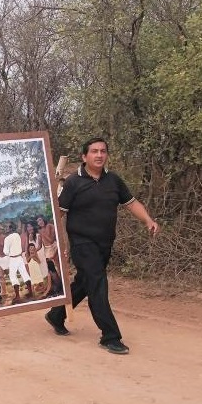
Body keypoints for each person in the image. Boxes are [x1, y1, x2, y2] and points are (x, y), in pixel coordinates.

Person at [44, 137, 159, 355]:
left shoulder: (113, 180)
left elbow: (131, 202)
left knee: (86, 282)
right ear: (84, 156)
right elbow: (59, 213)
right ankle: (110, 336)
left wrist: (148, 220)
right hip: (82, 243)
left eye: (103, 151)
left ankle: (56, 314)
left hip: (104, 243)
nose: (99, 155)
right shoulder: (73, 183)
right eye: (94, 151)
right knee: (98, 284)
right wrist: (54, 241)